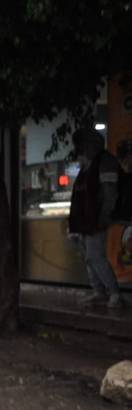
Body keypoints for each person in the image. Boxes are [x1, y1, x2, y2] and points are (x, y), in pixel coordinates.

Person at [68, 128, 122, 309]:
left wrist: (105, 215)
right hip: (85, 220)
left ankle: (114, 293)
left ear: (93, 144)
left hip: (96, 218)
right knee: (89, 258)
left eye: (83, 145)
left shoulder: (105, 161)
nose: (80, 149)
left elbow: (110, 193)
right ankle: (99, 292)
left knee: (95, 256)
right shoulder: (88, 164)